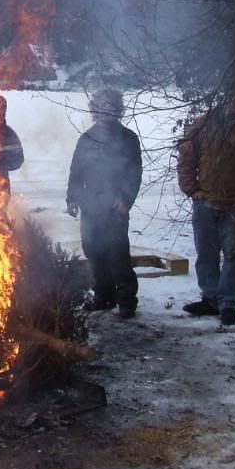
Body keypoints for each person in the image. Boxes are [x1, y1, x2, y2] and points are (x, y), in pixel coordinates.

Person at [176, 85, 235, 326]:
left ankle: (227, 303)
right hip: (205, 201)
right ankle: (210, 299)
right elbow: (186, 155)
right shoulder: (204, 122)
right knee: (206, 254)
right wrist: (191, 189)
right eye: (233, 98)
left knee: (234, 255)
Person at [66, 89, 143, 319]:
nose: (106, 110)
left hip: (115, 207)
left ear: (118, 109)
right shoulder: (87, 138)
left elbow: (135, 174)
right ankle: (104, 296)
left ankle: (127, 300)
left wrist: (126, 200)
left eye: (111, 106)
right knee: (94, 252)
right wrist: (72, 198)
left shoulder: (128, 138)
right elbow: (76, 172)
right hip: (91, 206)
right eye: (102, 105)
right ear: (95, 109)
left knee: (118, 254)